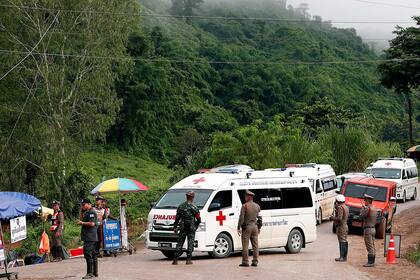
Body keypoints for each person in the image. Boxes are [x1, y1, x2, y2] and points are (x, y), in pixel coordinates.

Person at [172, 191, 201, 265]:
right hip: (191, 227)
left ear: (186, 197)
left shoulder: (181, 206)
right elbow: (198, 219)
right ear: (192, 197)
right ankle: (188, 260)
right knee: (190, 243)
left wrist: (175, 227)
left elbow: (177, 218)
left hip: (183, 227)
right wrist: (195, 226)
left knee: (180, 242)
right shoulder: (194, 207)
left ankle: (175, 260)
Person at [237, 190, 262, 267]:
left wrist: (238, 227)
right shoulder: (257, 206)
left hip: (247, 227)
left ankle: (245, 261)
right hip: (255, 227)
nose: (244, 197)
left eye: (245, 196)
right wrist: (259, 227)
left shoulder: (245, 206)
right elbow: (260, 218)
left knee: (245, 245)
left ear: (248, 197)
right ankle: (255, 262)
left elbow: (241, 218)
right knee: (255, 245)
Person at [78, 198, 99, 279]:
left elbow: (92, 223)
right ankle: (95, 273)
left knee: (88, 254)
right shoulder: (86, 212)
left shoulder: (91, 212)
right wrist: (81, 210)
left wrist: (82, 223)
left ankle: (90, 273)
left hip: (90, 237)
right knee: (93, 254)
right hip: (89, 237)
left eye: (83, 205)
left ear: (88, 204)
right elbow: (80, 218)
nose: (82, 206)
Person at [359, 194, 378, 267]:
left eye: (365, 200)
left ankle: (370, 262)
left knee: (369, 246)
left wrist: (363, 209)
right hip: (373, 228)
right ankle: (372, 261)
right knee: (372, 245)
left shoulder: (367, 209)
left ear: (368, 201)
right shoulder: (374, 208)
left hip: (368, 229)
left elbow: (361, 217)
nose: (364, 202)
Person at [333, 195, 349, 262]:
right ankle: (344, 257)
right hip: (345, 226)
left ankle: (342, 257)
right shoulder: (345, 207)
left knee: (342, 241)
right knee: (344, 241)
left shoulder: (340, 208)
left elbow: (339, 218)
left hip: (341, 226)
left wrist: (333, 218)